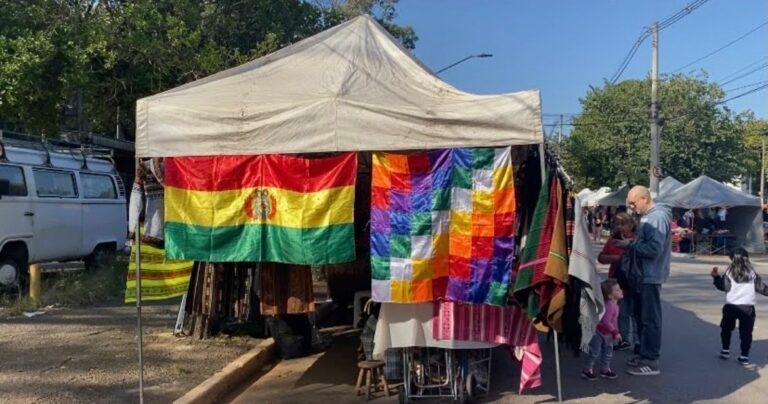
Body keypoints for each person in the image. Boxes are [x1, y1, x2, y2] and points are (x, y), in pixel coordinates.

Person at [621, 186, 671, 376]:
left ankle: (650, 360)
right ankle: (644, 355)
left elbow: (653, 250)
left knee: (650, 318)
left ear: (645, 198)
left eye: (634, 203)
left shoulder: (656, 217)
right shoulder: (650, 216)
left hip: (650, 275)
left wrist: (631, 245)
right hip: (644, 275)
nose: (632, 207)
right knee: (643, 317)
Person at [710, 247, 768, 365]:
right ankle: (744, 356)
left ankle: (725, 350)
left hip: (731, 306)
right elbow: (763, 289)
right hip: (747, 308)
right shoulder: (752, 273)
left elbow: (724, 287)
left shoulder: (729, 272)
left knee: (726, 329)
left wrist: (716, 277)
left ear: (733, 259)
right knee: (746, 333)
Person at [597, 212, 637, 350]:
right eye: (617, 224)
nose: (619, 227)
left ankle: (637, 342)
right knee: (620, 311)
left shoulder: (635, 239)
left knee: (635, 312)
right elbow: (601, 257)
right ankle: (624, 339)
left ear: (631, 225)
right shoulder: (612, 240)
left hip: (633, 279)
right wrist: (615, 258)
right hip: (616, 280)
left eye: (623, 224)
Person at [582, 279, 623, 381]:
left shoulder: (615, 305)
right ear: (609, 295)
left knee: (608, 351)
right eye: (617, 290)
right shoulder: (610, 306)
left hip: (608, 333)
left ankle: (605, 369)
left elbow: (614, 321)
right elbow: (606, 321)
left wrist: (615, 331)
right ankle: (587, 369)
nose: (621, 291)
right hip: (599, 332)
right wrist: (615, 332)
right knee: (595, 351)